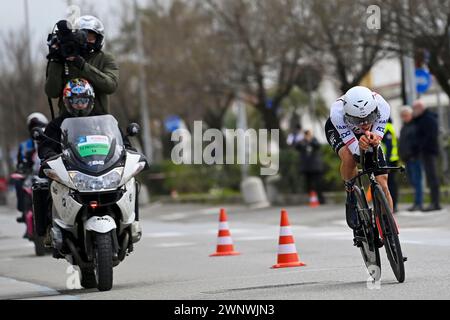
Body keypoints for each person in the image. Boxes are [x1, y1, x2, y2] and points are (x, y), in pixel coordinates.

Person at [38, 78, 138, 246]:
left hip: (101, 167)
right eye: (75, 100)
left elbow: (119, 141)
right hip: (72, 170)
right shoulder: (56, 125)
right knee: (44, 186)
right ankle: (49, 227)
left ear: (91, 100)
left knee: (132, 181)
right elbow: (45, 146)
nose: (80, 104)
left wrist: (128, 150)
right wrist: (49, 155)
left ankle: (131, 224)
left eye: (83, 100)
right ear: (67, 102)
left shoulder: (103, 121)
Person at [325, 86, 392, 245]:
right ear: (348, 114)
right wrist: (359, 146)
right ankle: (350, 192)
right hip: (339, 130)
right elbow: (356, 152)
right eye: (358, 120)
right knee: (349, 157)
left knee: (383, 183)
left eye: (369, 117)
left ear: (375, 110)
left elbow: (376, 140)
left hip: (366, 136)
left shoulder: (383, 107)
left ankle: (389, 226)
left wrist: (374, 139)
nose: (364, 123)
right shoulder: (337, 113)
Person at [45, 15, 119, 115]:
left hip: (100, 122)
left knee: (121, 131)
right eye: (82, 36)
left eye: (90, 36)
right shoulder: (64, 57)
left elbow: (111, 86)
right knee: (49, 130)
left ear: (98, 39)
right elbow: (52, 92)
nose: (86, 40)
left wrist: (83, 66)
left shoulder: (105, 58)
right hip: (68, 124)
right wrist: (55, 60)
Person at [14, 113, 49, 223]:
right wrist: (22, 167)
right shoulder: (25, 146)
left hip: (50, 172)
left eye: (39, 126)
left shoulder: (52, 140)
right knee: (20, 182)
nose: (37, 130)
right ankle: (25, 213)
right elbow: (21, 162)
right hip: (32, 174)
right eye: (33, 127)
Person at [413, 100, 441, 212]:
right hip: (426, 151)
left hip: (429, 151)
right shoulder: (421, 119)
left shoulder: (428, 119)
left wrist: (422, 146)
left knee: (433, 177)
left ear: (420, 108)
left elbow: (431, 135)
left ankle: (435, 203)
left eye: (415, 109)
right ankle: (434, 202)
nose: (414, 111)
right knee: (430, 177)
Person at [398, 106, 423, 211]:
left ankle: (418, 203)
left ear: (410, 115)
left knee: (417, 181)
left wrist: (413, 154)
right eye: (402, 116)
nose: (404, 118)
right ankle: (416, 202)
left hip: (414, 158)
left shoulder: (415, 126)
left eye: (406, 115)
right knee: (413, 181)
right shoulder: (404, 127)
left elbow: (417, 142)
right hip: (407, 159)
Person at [296, 130, 325, 204]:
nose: (307, 136)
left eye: (308, 134)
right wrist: (303, 140)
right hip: (307, 167)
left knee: (318, 184)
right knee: (308, 184)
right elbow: (297, 147)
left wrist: (310, 140)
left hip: (316, 167)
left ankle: (321, 200)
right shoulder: (302, 142)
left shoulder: (314, 140)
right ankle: (312, 199)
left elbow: (317, 146)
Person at [381, 118, 399, 212]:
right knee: (390, 183)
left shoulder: (386, 127)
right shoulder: (389, 127)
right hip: (391, 159)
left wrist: (386, 163)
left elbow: (389, 147)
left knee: (390, 183)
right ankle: (392, 205)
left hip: (390, 161)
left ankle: (393, 206)